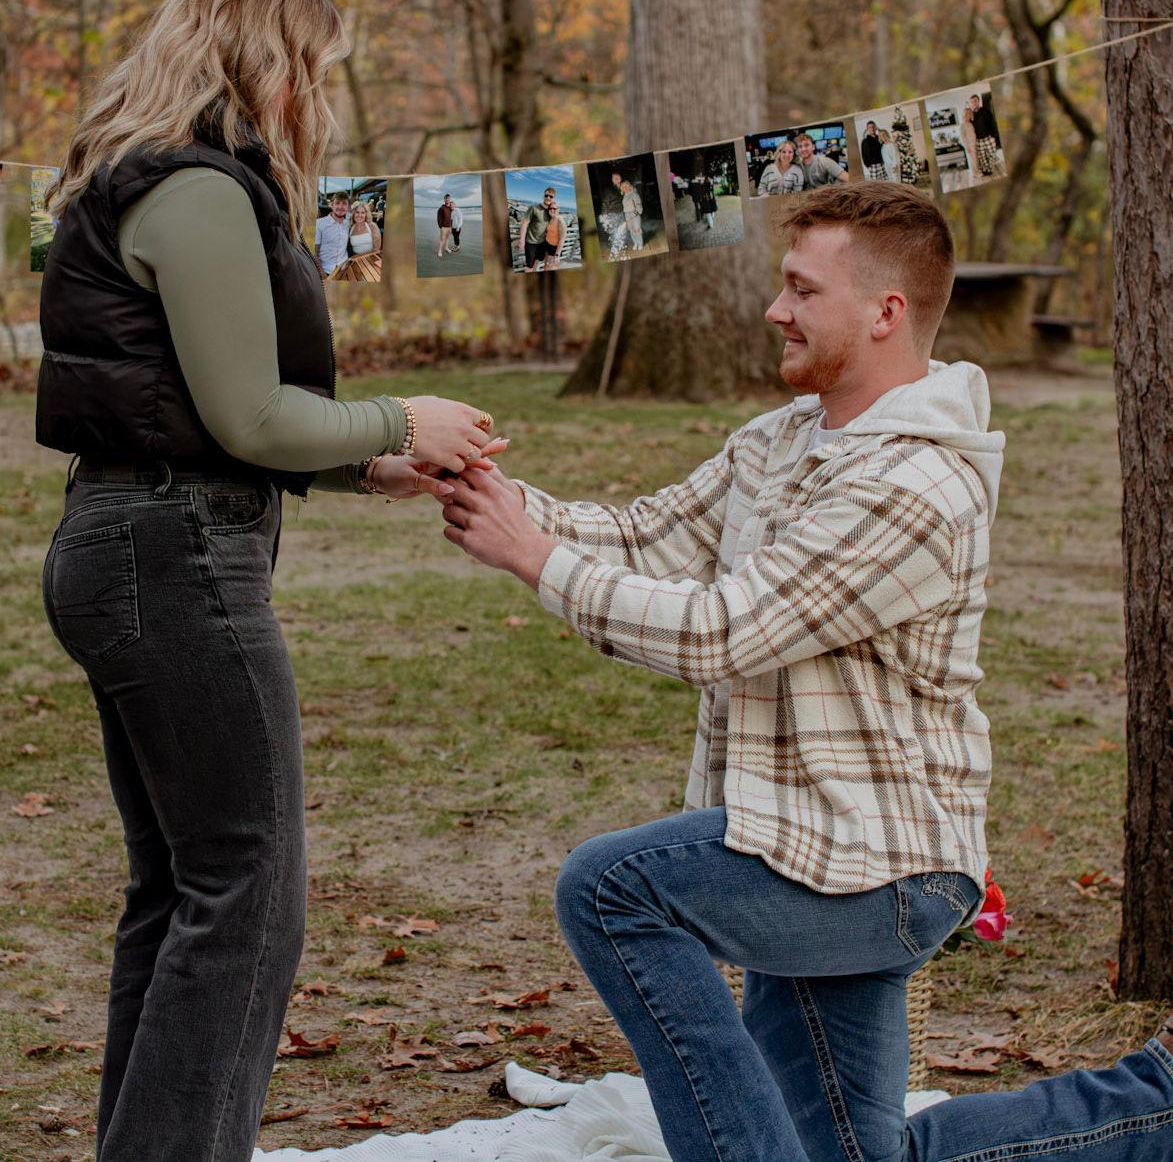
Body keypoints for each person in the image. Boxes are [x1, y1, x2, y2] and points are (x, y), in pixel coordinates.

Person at [436, 181, 1173, 1162]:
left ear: (884, 312)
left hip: (883, 864)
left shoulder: (917, 484)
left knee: (613, 888)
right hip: (797, 835)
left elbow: (726, 631)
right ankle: (1159, 1101)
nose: (774, 309)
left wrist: (533, 558)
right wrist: (471, 482)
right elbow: (645, 538)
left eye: (801, 289)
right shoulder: (782, 439)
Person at [35, 0, 498, 1162]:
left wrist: (368, 466)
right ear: (267, 61)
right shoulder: (197, 190)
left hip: (138, 541)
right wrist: (401, 420)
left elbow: (195, 408)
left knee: (184, 890)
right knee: (249, 895)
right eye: (314, 69)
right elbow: (247, 416)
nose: (319, 98)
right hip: (169, 557)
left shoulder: (160, 175)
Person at [517, 185, 560, 271]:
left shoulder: (551, 211)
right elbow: (525, 223)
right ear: (543, 196)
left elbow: (556, 220)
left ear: (553, 198)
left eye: (551, 196)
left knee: (538, 261)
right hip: (531, 242)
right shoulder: (534, 208)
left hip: (543, 243)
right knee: (529, 266)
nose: (548, 198)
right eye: (546, 195)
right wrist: (522, 240)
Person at [314, 189, 350, 275]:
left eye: (344, 203)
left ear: (348, 207)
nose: (340, 207)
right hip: (325, 271)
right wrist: (322, 274)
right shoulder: (319, 224)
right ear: (331, 205)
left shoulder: (348, 224)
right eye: (337, 203)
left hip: (344, 269)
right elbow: (315, 253)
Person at [969, 92, 1005, 178]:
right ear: (971, 103)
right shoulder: (971, 115)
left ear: (978, 101)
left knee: (992, 155)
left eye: (975, 101)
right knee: (982, 157)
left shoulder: (986, 111)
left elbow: (993, 123)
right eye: (972, 102)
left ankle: (993, 169)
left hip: (988, 138)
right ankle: (986, 171)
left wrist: (994, 136)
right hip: (978, 140)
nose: (974, 103)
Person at [619, 177, 643, 253]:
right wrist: (626, 216)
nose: (625, 188)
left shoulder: (634, 194)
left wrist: (634, 213)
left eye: (626, 186)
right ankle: (635, 243)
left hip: (635, 214)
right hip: (627, 214)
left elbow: (639, 206)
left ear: (629, 186)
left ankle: (640, 244)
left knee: (637, 229)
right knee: (631, 230)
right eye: (623, 187)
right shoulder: (624, 196)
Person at [435, 192, 454, 258]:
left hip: (449, 226)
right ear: (444, 199)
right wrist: (441, 226)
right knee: (442, 239)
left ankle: (446, 248)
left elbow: (452, 217)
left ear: (450, 199)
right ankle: (439, 251)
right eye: (446, 198)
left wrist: (451, 226)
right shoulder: (441, 208)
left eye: (448, 198)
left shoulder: (451, 208)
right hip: (444, 227)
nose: (447, 200)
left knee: (447, 238)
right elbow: (438, 218)